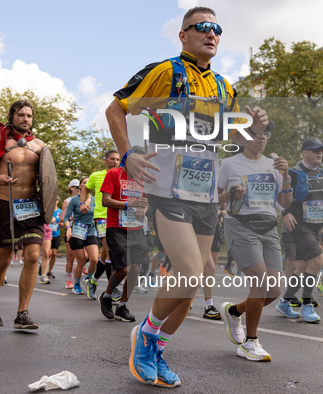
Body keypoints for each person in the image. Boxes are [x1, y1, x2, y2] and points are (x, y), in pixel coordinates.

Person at [106, 6, 268, 386]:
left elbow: (228, 138)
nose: (211, 34)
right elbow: (116, 108)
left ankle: (158, 348)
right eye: (202, 27)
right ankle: (145, 336)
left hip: (205, 196)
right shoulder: (164, 72)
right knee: (191, 272)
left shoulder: (225, 87)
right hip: (167, 190)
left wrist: (252, 128)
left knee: (191, 287)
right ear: (183, 35)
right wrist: (128, 154)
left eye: (217, 29)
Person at [0, 99, 46, 329]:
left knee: (33, 256)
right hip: (5, 204)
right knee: (2, 258)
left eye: (29, 116)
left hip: (32, 208)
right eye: (21, 115)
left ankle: (22, 313)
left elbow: (47, 179)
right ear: (12, 116)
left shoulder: (40, 146)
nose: (25, 119)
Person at [218, 129, 290, 361]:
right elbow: (213, 197)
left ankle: (234, 311)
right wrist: (230, 194)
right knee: (259, 283)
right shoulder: (229, 164)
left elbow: (283, 202)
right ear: (243, 138)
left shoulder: (273, 165)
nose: (262, 138)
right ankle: (250, 343)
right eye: (256, 134)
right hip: (240, 225)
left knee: (274, 291)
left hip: (268, 227)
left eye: (265, 134)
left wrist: (286, 176)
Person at [275, 138, 323, 323]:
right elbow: (280, 196)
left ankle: (284, 301)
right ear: (304, 152)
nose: (319, 153)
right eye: (315, 150)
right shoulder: (293, 173)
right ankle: (306, 304)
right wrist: (285, 213)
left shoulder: (322, 173)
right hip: (300, 224)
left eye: (321, 150)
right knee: (317, 260)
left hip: (317, 225)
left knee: (304, 267)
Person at [98, 145, 149, 322]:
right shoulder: (113, 174)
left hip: (136, 228)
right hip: (116, 226)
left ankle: (122, 306)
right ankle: (107, 296)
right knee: (123, 269)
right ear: (128, 159)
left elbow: (146, 201)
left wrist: (144, 207)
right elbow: (105, 201)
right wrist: (129, 205)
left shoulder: (143, 178)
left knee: (135, 268)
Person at [81, 150, 120, 287]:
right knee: (110, 252)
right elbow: (85, 189)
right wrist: (82, 203)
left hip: (119, 217)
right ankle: (113, 289)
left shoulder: (123, 175)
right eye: (112, 159)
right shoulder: (96, 176)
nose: (115, 162)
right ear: (105, 160)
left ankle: (93, 280)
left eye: (117, 159)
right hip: (102, 217)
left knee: (105, 255)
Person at [62, 177, 99, 297]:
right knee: (81, 260)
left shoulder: (94, 200)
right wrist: (68, 228)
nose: (86, 185)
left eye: (89, 183)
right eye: (84, 183)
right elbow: (66, 218)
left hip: (91, 231)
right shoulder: (74, 200)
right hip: (77, 231)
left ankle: (88, 280)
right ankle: (76, 284)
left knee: (94, 260)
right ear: (80, 186)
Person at [61, 179, 79, 289]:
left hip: (82, 230)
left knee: (84, 257)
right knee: (71, 257)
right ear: (71, 188)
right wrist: (72, 218)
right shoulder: (67, 201)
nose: (79, 188)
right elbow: (62, 219)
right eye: (77, 186)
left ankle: (75, 273)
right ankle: (68, 280)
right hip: (70, 230)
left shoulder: (84, 199)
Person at [47, 197, 61, 279]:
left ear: (58, 201)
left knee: (54, 254)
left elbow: (63, 221)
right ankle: (43, 266)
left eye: (56, 200)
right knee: (48, 254)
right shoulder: (48, 210)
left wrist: (61, 223)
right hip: (48, 235)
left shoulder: (60, 211)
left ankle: (49, 271)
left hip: (56, 234)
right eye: (54, 199)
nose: (55, 201)